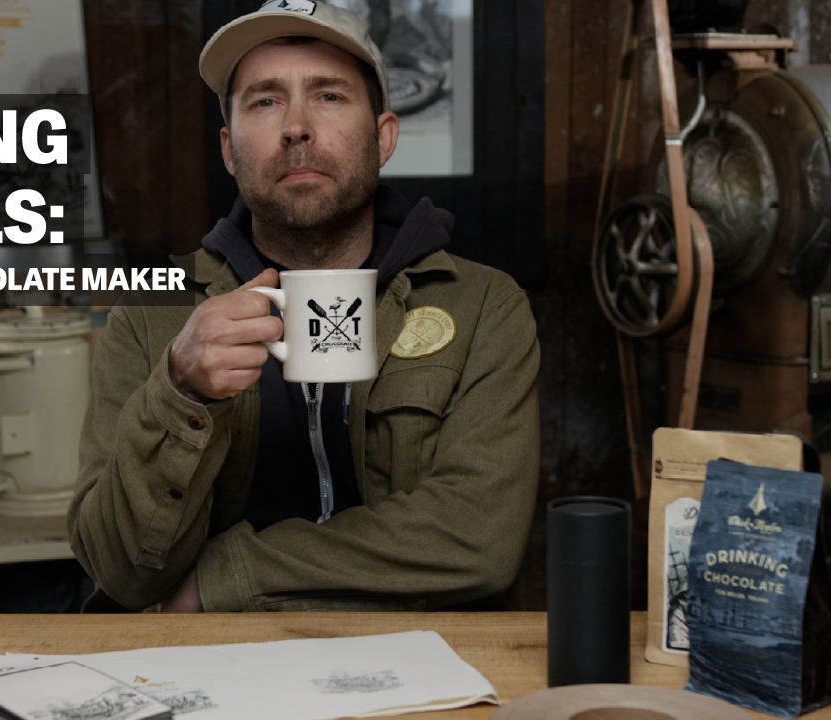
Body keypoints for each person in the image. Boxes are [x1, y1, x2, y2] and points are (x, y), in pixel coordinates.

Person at [68, 0, 539, 612]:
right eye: (264, 101)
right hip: (216, 677)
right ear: (230, 149)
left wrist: (226, 578)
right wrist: (180, 395)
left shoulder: (482, 307)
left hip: (424, 669)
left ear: (384, 137)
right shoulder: (152, 316)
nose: (295, 126)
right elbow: (119, 571)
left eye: (328, 96)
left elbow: (477, 540)